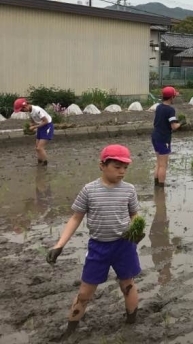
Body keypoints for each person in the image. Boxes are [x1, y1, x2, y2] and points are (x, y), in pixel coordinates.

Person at [45, 144, 144, 340]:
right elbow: (75, 218)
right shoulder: (89, 190)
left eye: (125, 167)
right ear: (102, 165)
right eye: (117, 167)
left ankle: (131, 322)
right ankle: (70, 330)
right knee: (84, 292)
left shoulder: (129, 190)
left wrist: (137, 230)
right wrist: (59, 245)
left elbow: (134, 215)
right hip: (99, 247)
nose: (122, 171)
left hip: (124, 245)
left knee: (128, 285)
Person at [152, 87, 182, 188]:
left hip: (155, 136)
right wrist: (181, 123)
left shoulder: (159, 107)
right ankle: (161, 188)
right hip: (163, 138)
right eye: (174, 96)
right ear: (171, 97)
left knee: (158, 162)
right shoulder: (170, 110)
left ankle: (156, 184)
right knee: (163, 165)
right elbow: (173, 126)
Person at [13, 97, 54, 166]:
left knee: (40, 148)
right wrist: (29, 126)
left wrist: (34, 127)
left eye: (22, 110)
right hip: (41, 126)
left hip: (47, 126)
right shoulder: (29, 111)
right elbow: (33, 121)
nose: (22, 111)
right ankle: (39, 161)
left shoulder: (37, 110)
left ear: (25, 106)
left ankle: (45, 163)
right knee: (37, 147)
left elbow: (46, 121)